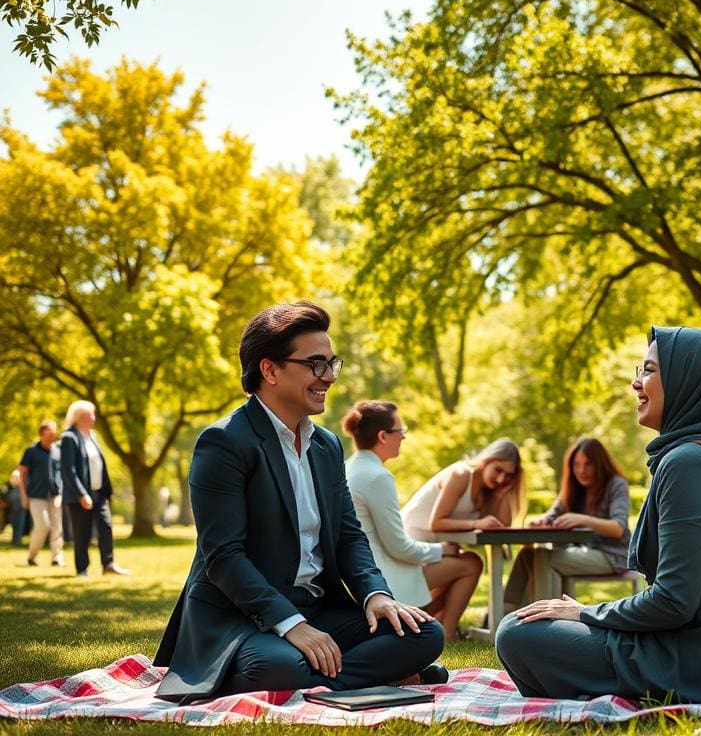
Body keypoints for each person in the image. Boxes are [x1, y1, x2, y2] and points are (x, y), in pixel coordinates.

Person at [154, 301, 444, 703]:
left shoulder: (326, 445)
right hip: (241, 616)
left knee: (425, 632)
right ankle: (374, 673)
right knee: (277, 667)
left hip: (319, 608)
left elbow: (348, 537)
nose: (328, 377)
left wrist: (376, 595)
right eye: (315, 364)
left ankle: (331, 673)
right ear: (270, 370)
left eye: (331, 364)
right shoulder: (224, 443)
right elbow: (223, 556)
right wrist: (291, 624)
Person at [496, 326, 701, 703]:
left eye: (649, 371)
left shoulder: (688, 462)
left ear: (690, 380)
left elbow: (673, 602)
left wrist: (587, 613)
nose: (635, 383)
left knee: (515, 631)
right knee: (530, 624)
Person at [343, 400, 483, 641]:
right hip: (382, 576)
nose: (404, 438)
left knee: (458, 561)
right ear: (383, 436)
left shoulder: (350, 467)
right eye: (401, 431)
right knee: (471, 562)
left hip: (357, 571)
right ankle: (445, 632)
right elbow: (399, 547)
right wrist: (443, 549)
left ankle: (429, 622)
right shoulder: (377, 476)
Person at [503, 437, 631, 614]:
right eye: (576, 464)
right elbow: (550, 516)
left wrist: (582, 519)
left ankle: (546, 619)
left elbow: (618, 528)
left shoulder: (616, 485)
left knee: (544, 558)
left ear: (599, 465)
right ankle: (505, 614)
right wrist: (540, 522)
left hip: (613, 555)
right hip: (581, 552)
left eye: (588, 464)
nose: (581, 471)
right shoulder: (574, 487)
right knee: (527, 555)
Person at [401, 438, 525, 541]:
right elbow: (436, 524)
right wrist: (476, 524)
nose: (501, 479)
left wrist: (501, 495)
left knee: (473, 563)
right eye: (498, 470)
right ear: (487, 460)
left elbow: (503, 525)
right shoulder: (461, 474)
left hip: (433, 545)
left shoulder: (488, 490)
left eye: (508, 475)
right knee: (472, 564)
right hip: (408, 539)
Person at [60, 400, 130, 577]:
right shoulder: (69, 437)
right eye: (91, 415)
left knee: (106, 526)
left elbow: (100, 464)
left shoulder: (93, 436)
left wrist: (106, 491)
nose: (94, 418)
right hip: (80, 495)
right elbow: (69, 470)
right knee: (81, 532)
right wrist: (82, 494)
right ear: (80, 417)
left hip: (99, 493)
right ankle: (82, 569)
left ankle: (108, 564)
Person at [19, 420, 64, 566]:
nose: (52, 436)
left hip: (55, 495)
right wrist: (23, 495)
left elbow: (63, 473)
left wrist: (62, 491)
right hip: (36, 496)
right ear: (41, 434)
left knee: (57, 527)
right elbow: (22, 474)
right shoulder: (31, 451)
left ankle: (57, 556)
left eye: (53, 433)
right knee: (43, 526)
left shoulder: (58, 451)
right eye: (49, 433)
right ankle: (32, 555)